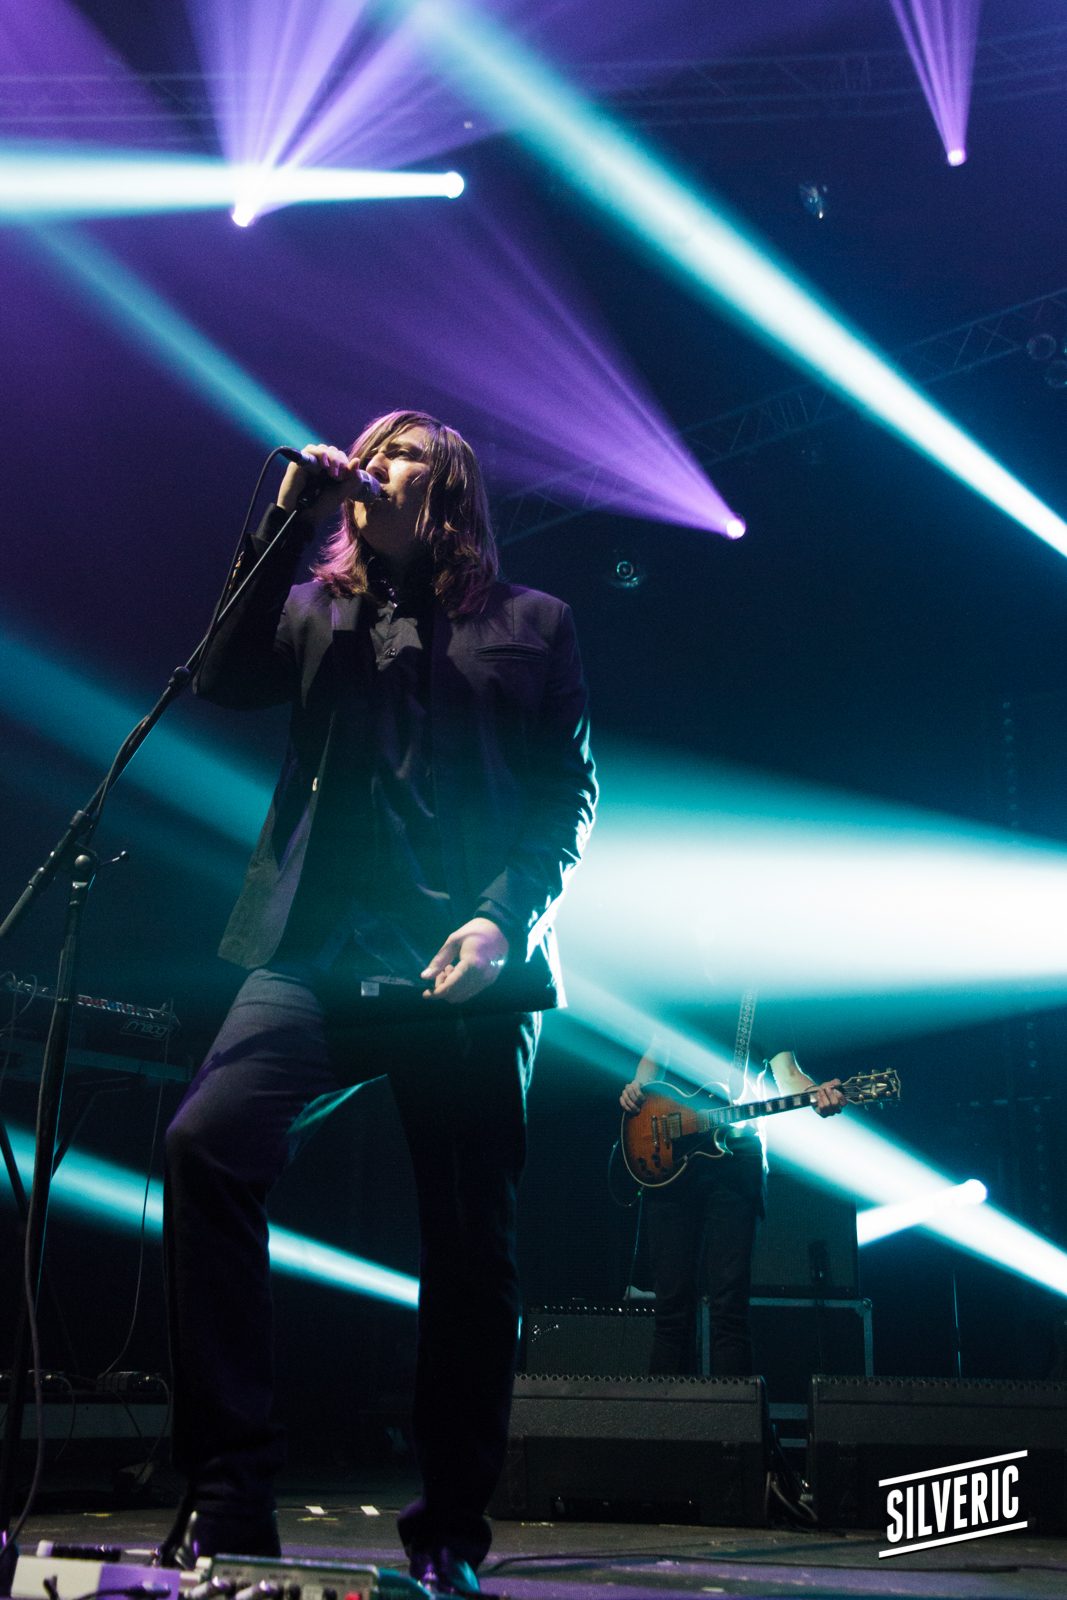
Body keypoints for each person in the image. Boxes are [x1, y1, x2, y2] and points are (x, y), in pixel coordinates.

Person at [160, 411, 597, 1597]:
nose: (371, 463)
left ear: (445, 490)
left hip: (464, 976)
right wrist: (278, 524)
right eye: (369, 449)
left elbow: (565, 800)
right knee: (204, 1144)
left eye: (399, 452)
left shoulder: (533, 624)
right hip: (318, 953)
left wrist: (503, 919)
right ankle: (228, 1494)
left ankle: (449, 1528)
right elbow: (218, 677)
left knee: (467, 1249)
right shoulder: (314, 611)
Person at [619, 1034, 845, 1377]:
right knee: (670, 1309)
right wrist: (638, 1088)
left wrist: (817, 1092)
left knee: (729, 1307)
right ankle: (667, 1410)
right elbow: (657, 1052)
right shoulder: (680, 999)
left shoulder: (757, 1005)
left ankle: (732, 1411)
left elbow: (788, 1074)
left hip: (736, 1160)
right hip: (672, 1152)